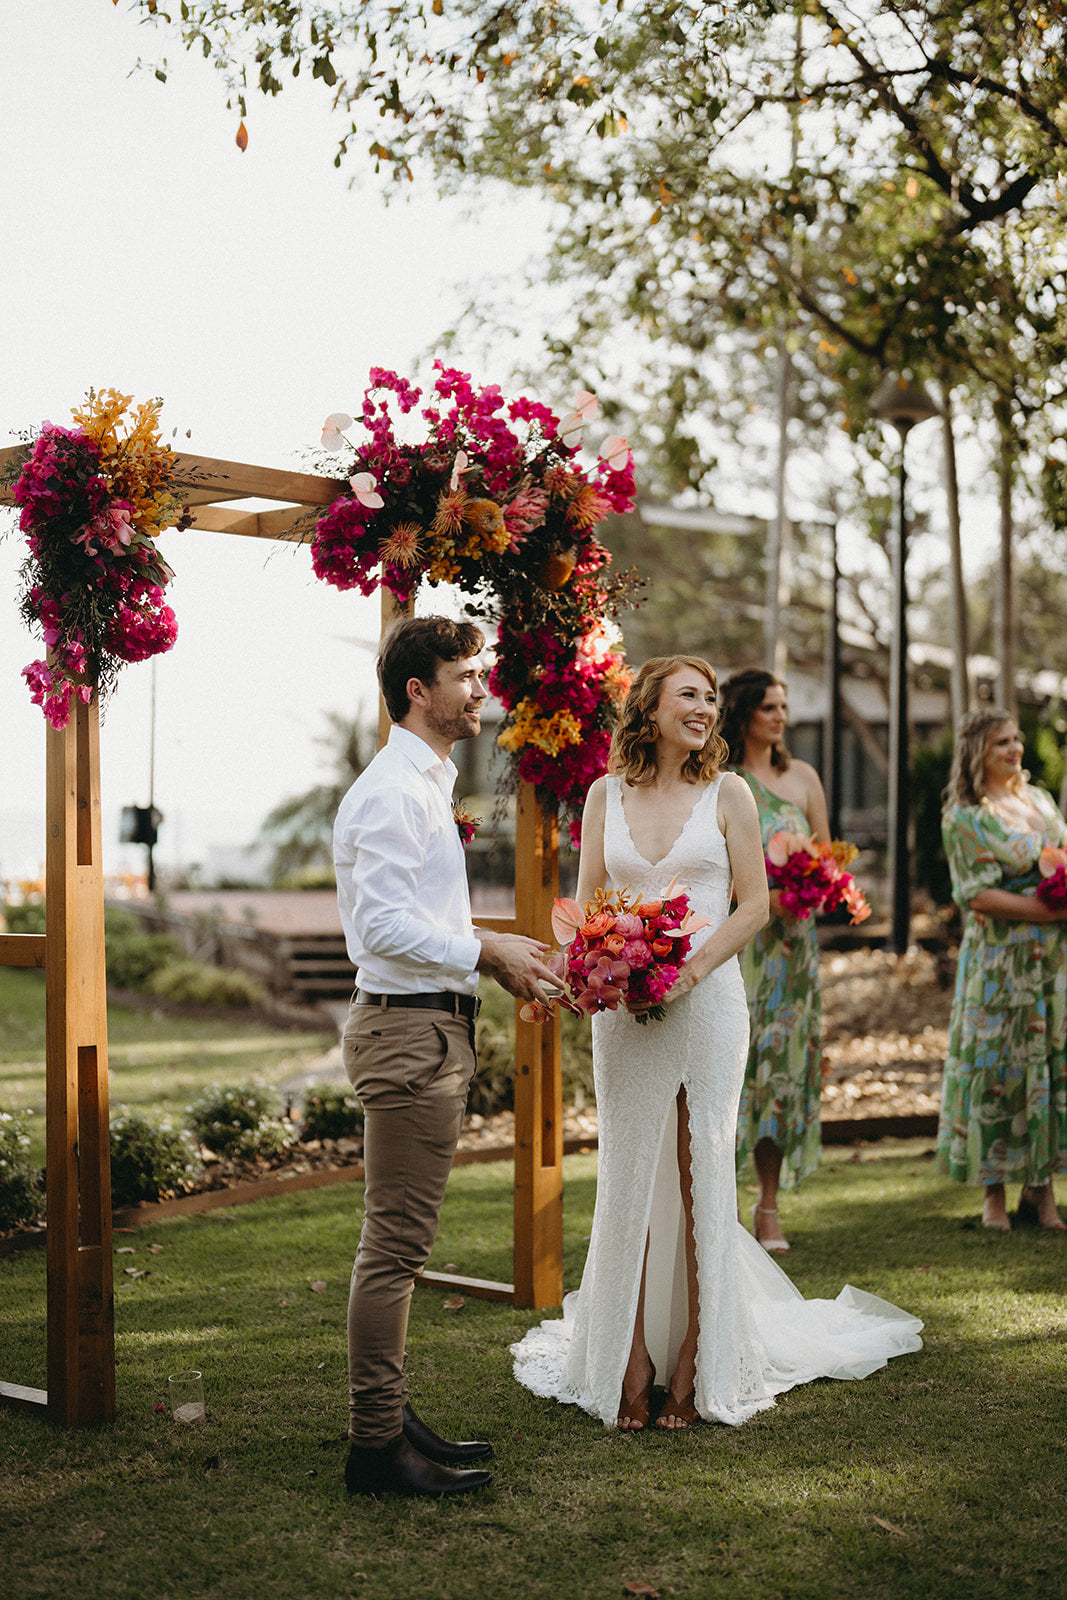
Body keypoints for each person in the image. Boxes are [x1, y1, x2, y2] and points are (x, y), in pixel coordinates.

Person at [511, 656, 923, 1431]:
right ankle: (626, 1354)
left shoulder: (729, 793)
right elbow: (591, 899)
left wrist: (689, 969)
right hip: (623, 1011)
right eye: (689, 696)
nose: (704, 709)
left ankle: (699, 1352)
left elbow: (754, 903)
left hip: (709, 1002)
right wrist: (588, 970)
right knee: (628, 1170)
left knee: (703, 1166)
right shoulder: (605, 794)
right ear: (652, 708)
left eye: (709, 698)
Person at [335, 615, 562, 1497]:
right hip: (407, 1032)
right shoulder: (393, 789)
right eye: (464, 675)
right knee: (394, 1247)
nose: (481, 687)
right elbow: (383, 927)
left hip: (427, 1024)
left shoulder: (422, 780)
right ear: (416, 692)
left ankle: (391, 1418)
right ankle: (374, 1445)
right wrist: (490, 951)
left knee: (402, 1242)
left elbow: (413, 920)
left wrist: (493, 959)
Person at [938, 706, 1067, 1231]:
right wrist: (1055, 910)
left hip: (1052, 964)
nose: (1014, 750)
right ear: (976, 753)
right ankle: (993, 1193)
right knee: (998, 1070)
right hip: (999, 963)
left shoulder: (1040, 799)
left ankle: (1042, 1192)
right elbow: (977, 897)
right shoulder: (965, 818)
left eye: (1015, 740)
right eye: (1000, 744)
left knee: (1049, 1065)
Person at [719, 667, 830, 1252]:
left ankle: (769, 1208)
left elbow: (830, 858)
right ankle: (724, 1209)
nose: (781, 716)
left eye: (784, 706)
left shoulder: (804, 777)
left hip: (795, 954)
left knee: (782, 1074)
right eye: (769, 707)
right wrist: (768, 898)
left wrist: (820, 887)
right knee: (737, 1070)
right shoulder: (722, 780)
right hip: (743, 946)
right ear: (744, 713)